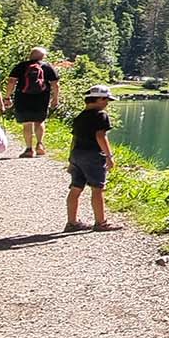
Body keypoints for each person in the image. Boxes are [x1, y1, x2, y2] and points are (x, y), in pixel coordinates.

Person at [66, 85, 122, 232]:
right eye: (106, 100)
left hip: (77, 154)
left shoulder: (79, 116)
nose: (107, 103)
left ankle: (71, 222)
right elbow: (100, 136)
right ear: (99, 99)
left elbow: (74, 138)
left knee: (76, 188)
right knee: (97, 188)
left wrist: (71, 158)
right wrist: (109, 156)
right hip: (93, 156)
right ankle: (101, 223)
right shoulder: (101, 115)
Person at [5, 46, 60, 158]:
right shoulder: (47, 66)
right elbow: (55, 84)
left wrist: (7, 96)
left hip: (22, 96)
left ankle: (29, 149)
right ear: (43, 56)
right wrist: (55, 98)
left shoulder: (21, 66)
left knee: (27, 123)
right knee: (39, 121)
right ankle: (39, 145)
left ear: (30, 55)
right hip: (42, 97)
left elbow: (11, 81)